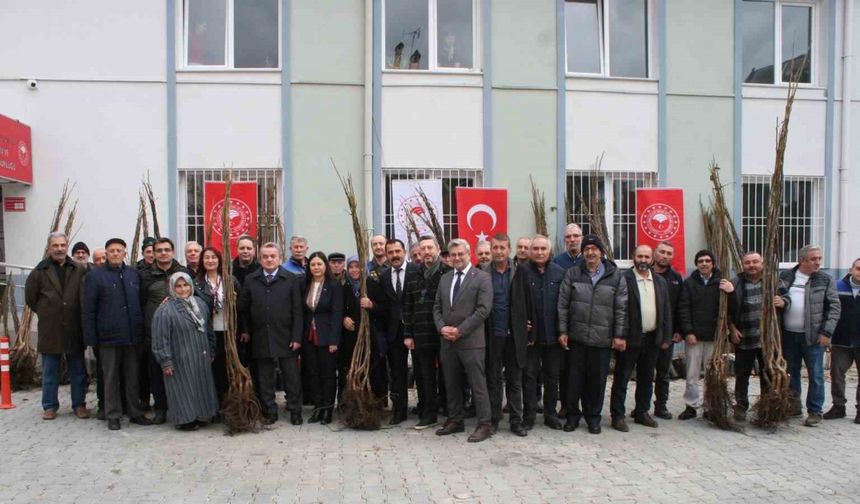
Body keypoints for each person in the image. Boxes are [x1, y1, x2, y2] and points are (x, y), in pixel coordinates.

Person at [558, 234, 627, 434]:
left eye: (594, 249)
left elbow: (621, 308)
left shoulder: (615, 276)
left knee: (596, 382)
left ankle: (593, 418)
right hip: (576, 337)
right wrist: (563, 330)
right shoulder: (573, 273)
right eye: (586, 249)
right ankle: (572, 416)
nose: (590, 253)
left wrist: (619, 335)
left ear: (601, 252)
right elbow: (562, 305)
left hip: (602, 339)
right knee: (574, 380)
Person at [83, 238, 152, 430]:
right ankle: (113, 414)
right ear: (106, 253)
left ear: (125, 253)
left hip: (132, 336)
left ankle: (134, 412)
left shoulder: (132, 274)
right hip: (108, 336)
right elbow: (88, 309)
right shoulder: (95, 276)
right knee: (110, 377)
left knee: (132, 376)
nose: (115, 253)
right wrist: (91, 338)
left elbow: (140, 302)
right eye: (112, 251)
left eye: (119, 250)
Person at [433, 239, 494, 442]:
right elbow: (437, 308)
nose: (457, 258)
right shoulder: (445, 279)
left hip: (471, 341)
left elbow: (483, 310)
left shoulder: (482, 278)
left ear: (469, 254)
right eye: (453, 255)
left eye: (461, 254)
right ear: (449, 257)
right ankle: (455, 420)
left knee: (478, 385)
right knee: (451, 383)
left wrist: (460, 330)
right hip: (447, 341)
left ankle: (485, 424)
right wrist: (442, 328)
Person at [25, 232, 89, 421]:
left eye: (62, 245)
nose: (60, 249)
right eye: (56, 246)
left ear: (67, 246)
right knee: (50, 371)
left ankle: (79, 404)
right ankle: (50, 406)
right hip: (50, 329)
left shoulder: (78, 269)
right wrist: (48, 312)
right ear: (49, 247)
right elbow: (31, 299)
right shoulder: (39, 271)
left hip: (74, 328)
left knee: (77, 371)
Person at [238, 242, 304, 425]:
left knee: (291, 377)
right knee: (265, 377)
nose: (269, 259)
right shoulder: (252, 279)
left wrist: (297, 337)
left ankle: (295, 410)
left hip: (286, 336)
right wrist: (245, 329)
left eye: (272, 256)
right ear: (260, 259)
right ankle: (270, 411)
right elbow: (242, 307)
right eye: (265, 256)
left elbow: (298, 311)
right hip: (260, 335)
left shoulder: (291, 279)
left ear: (279, 258)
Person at [775, 244, 840, 427]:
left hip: (813, 337)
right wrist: (783, 302)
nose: (817, 262)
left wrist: (826, 332)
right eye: (813, 259)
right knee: (791, 373)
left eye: (819, 258)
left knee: (816, 375)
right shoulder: (786, 276)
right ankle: (794, 406)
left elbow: (834, 308)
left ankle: (815, 411)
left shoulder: (825, 280)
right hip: (789, 336)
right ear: (802, 260)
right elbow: (781, 297)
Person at [609, 245, 671, 432]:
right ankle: (618, 416)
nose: (643, 260)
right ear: (633, 257)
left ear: (652, 259)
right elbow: (617, 309)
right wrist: (618, 335)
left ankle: (642, 411)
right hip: (629, 338)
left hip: (652, 338)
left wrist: (665, 336)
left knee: (646, 377)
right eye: (640, 256)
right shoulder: (623, 279)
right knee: (622, 377)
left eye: (647, 256)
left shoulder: (659, 281)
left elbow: (666, 310)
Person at [152, 273, 219, 431]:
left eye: (186, 285)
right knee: (182, 389)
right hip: (179, 357)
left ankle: (203, 414)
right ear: (172, 288)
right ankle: (185, 420)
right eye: (178, 286)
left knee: (201, 386)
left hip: (200, 354)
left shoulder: (200, 304)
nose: (183, 289)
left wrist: (211, 348)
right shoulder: (165, 310)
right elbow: (160, 338)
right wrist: (165, 361)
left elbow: (208, 329)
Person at [139, 237, 192, 424]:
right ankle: (161, 408)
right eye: (159, 250)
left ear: (173, 251)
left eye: (167, 249)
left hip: (180, 332)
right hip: (154, 333)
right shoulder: (144, 275)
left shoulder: (183, 272)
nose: (163, 253)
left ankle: (180, 406)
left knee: (180, 372)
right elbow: (141, 303)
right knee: (156, 373)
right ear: (153, 253)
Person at [677, 249, 734, 420]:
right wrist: (688, 331)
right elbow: (683, 308)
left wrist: (731, 292)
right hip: (694, 337)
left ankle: (711, 406)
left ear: (713, 263)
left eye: (707, 261)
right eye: (700, 261)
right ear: (696, 264)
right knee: (692, 374)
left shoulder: (722, 282)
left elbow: (731, 309)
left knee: (713, 373)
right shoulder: (689, 283)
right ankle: (691, 405)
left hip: (715, 336)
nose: (704, 264)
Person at [518, 235, 567, 432]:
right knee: (529, 376)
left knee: (552, 376)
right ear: (529, 252)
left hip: (553, 335)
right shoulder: (521, 272)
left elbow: (564, 304)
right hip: (531, 337)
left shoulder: (559, 272)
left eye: (543, 249)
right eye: (535, 249)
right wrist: (522, 323)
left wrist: (563, 330)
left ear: (549, 252)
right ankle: (529, 415)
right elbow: (516, 302)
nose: (539, 252)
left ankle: (550, 414)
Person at [403, 235, 452, 430]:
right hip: (420, 334)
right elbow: (408, 306)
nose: (427, 252)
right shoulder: (413, 274)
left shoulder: (447, 273)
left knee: (448, 374)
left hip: (444, 334)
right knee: (424, 376)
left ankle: (450, 410)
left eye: (430, 248)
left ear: (437, 248)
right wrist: (408, 335)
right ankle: (428, 412)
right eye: (423, 249)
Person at [481, 234, 525, 436]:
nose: (498, 251)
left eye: (502, 248)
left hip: (514, 334)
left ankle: (516, 421)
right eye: (495, 248)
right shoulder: (482, 273)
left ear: (509, 249)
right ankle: (495, 418)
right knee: (493, 378)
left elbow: (528, 301)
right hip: (493, 334)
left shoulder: (519, 272)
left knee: (515, 380)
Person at [371, 239, 417, 424]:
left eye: (397, 251)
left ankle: (427, 408)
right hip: (394, 331)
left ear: (404, 251)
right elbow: (383, 306)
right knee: (397, 373)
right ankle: (399, 410)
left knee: (422, 371)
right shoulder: (383, 276)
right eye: (390, 252)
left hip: (416, 328)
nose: (394, 255)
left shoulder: (416, 271)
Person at [727, 251, 769, 422]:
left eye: (755, 262)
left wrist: (784, 301)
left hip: (767, 340)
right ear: (743, 265)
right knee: (742, 374)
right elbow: (727, 310)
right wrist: (731, 328)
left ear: (762, 264)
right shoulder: (735, 283)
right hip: (744, 338)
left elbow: (785, 299)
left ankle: (766, 406)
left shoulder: (771, 282)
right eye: (747, 263)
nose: (751, 265)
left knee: (768, 375)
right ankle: (741, 406)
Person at [194, 247, 240, 402]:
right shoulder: (197, 284)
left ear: (219, 260)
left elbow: (242, 306)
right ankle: (215, 403)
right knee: (214, 368)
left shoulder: (230, 280)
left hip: (229, 331)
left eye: (213, 257)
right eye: (206, 257)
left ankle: (230, 401)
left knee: (230, 368)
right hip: (209, 332)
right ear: (202, 261)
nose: (210, 260)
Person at [302, 252, 343, 425]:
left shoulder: (333, 286)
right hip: (309, 337)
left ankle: (327, 410)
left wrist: (334, 340)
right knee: (313, 373)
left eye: (319, 264)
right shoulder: (305, 285)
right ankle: (317, 408)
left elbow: (336, 314)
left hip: (327, 338)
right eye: (313, 265)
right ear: (309, 267)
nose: (316, 267)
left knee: (327, 374)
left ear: (325, 266)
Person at [651, 241, 683, 419]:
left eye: (668, 253)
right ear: (655, 253)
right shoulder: (643, 272)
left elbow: (680, 306)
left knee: (663, 372)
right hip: (646, 331)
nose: (664, 256)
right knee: (644, 372)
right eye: (662, 252)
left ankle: (661, 406)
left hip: (667, 333)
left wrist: (678, 330)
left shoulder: (675, 278)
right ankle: (641, 406)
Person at [825, 257, 860, 423]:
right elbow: (829, 309)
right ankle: (838, 406)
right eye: (858, 268)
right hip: (841, 339)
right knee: (837, 374)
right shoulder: (837, 286)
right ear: (851, 270)